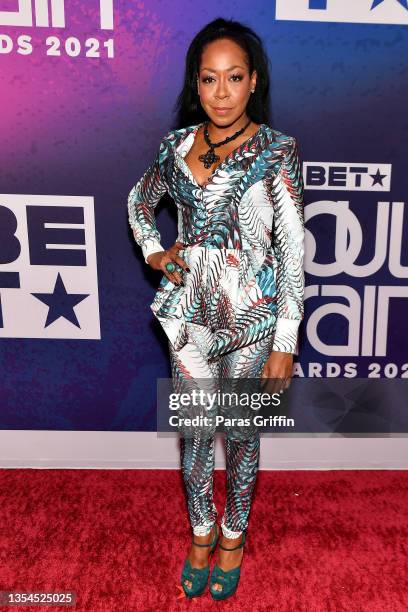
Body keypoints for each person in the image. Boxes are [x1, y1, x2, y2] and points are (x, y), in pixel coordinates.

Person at [127, 17, 305, 601]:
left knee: (243, 435)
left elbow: (289, 252)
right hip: (190, 323)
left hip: (253, 324)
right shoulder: (175, 147)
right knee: (196, 434)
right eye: (209, 79)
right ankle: (201, 533)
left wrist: (285, 340)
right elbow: (139, 199)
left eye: (234, 77)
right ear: (196, 84)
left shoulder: (278, 152)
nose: (221, 92)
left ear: (253, 82)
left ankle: (234, 536)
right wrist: (156, 249)